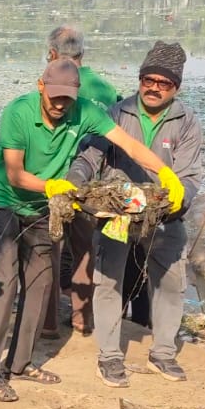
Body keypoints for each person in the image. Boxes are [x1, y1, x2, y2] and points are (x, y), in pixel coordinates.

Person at [0, 58, 186, 402]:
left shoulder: (85, 111)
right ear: (41, 86)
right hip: (3, 204)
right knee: (5, 283)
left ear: (76, 95)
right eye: (54, 97)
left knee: (40, 287)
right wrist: (53, 187)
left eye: (66, 99)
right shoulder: (18, 112)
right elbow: (15, 174)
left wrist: (165, 173)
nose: (59, 105)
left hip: (42, 209)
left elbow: (129, 145)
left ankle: (20, 364)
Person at [69, 41, 205, 387]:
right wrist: (74, 183)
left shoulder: (186, 121)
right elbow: (89, 157)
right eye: (149, 80)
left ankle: (163, 353)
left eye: (164, 83)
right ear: (140, 79)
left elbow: (190, 175)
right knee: (108, 282)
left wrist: (179, 200)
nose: (154, 88)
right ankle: (110, 358)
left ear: (177, 87)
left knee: (170, 283)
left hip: (164, 215)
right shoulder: (118, 113)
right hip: (118, 213)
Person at [43, 25, 122, 337]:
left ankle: (48, 322)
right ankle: (82, 317)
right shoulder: (105, 88)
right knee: (85, 250)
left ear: (51, 54)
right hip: (93, 183)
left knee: (48, 250)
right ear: (82, 54)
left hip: (54, 182)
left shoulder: (49, 84)